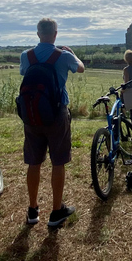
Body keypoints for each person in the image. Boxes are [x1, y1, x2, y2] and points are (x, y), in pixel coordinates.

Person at [18, 18, 85, 227]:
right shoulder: (63, 56)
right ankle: (56, 212)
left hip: (31, 115)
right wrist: (73, 53)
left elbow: (23, 73)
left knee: (34, 162)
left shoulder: (26, 56)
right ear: (55, 34)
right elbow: (81, 68)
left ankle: (32, 209)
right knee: (58, 161)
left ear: (38, 34)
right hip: (57, 114)